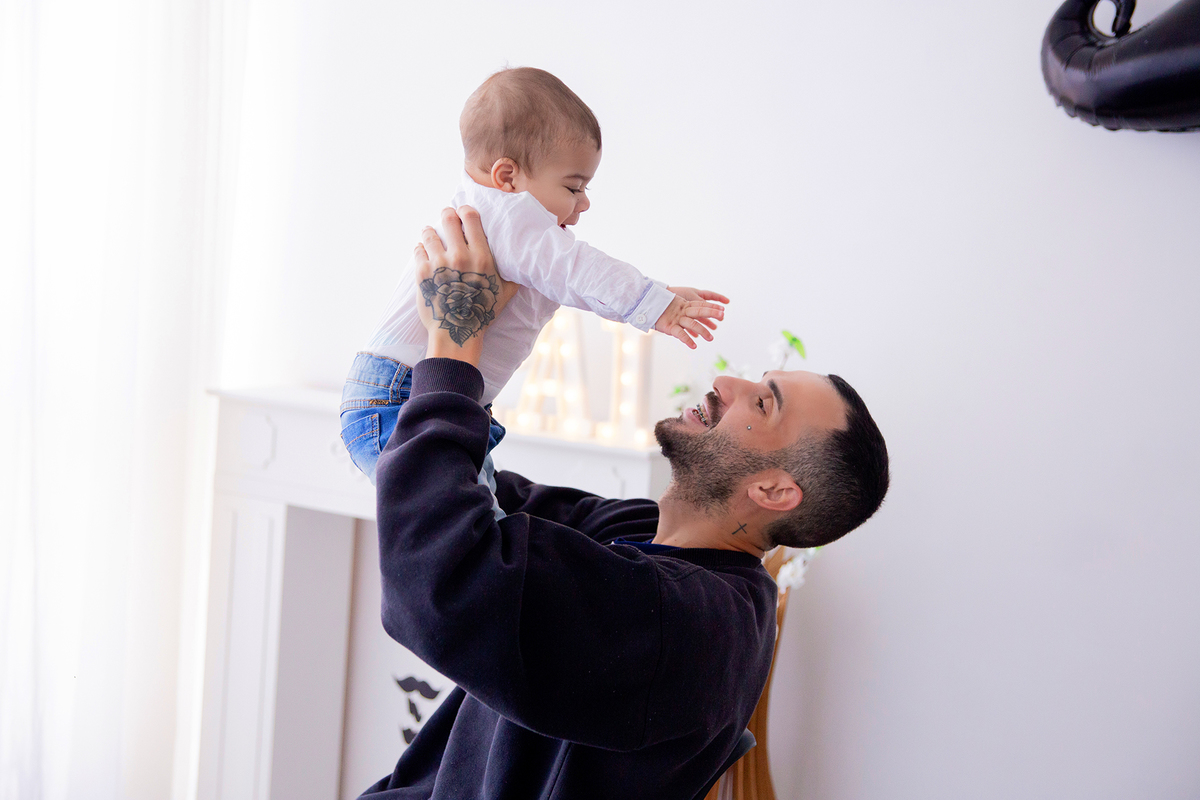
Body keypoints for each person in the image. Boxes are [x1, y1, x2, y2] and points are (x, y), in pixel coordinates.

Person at [359, 208, 890, 800]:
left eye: (763, 404)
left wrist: (456, 343)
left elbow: (435, 578)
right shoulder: (644, 531)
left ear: (772, 491)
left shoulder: (691, 624)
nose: (729, 385)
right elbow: (465, 497)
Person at [339, 66, 729, 506]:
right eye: (573, 186)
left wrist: (663, 293)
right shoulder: (506, 215)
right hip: (403, 397)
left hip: (406, 394)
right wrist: (656, 304)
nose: (584, 202)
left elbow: (571, 278)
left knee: (479, 521)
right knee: (465, 529)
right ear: (508, 177)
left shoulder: (494, 215)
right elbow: (577, 270)